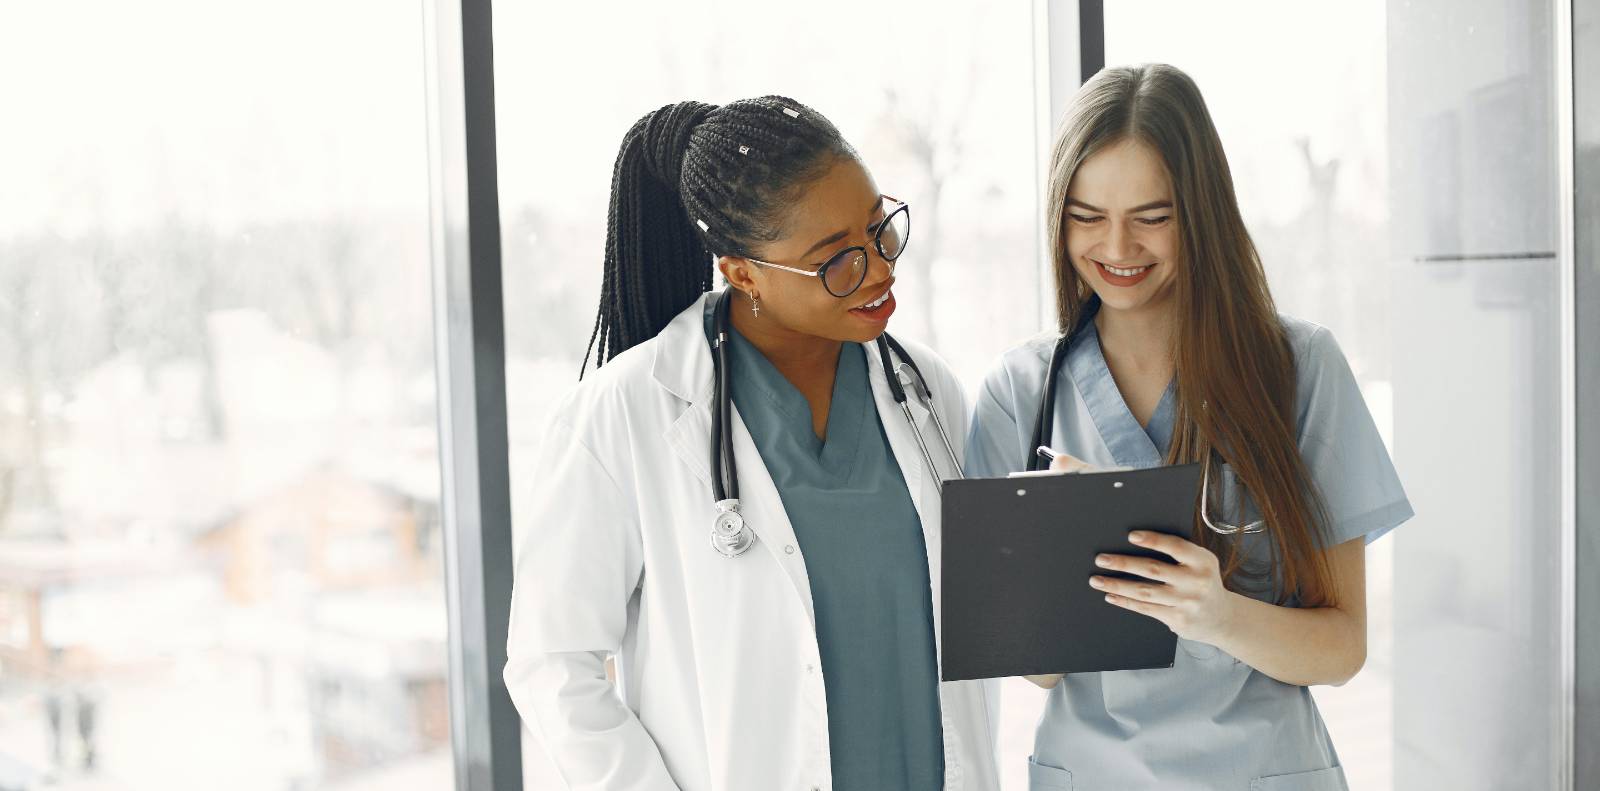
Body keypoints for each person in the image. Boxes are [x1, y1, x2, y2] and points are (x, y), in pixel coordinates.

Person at [505, 97, 1000, 791]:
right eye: (837, 261)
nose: (880, 268)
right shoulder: (626, 414)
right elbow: (552, 663)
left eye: (878, 229)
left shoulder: (925, 391)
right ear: (742, 272)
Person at [965, 65, 1413, 791]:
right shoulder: (1020, 393)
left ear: (1199, 210)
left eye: (1152, 215)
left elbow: (1342, 646)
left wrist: (1217, 614)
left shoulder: (1299, 369)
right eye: (1086, 215)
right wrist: (1063, 543)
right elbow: (1037, 671)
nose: (1117, 246)